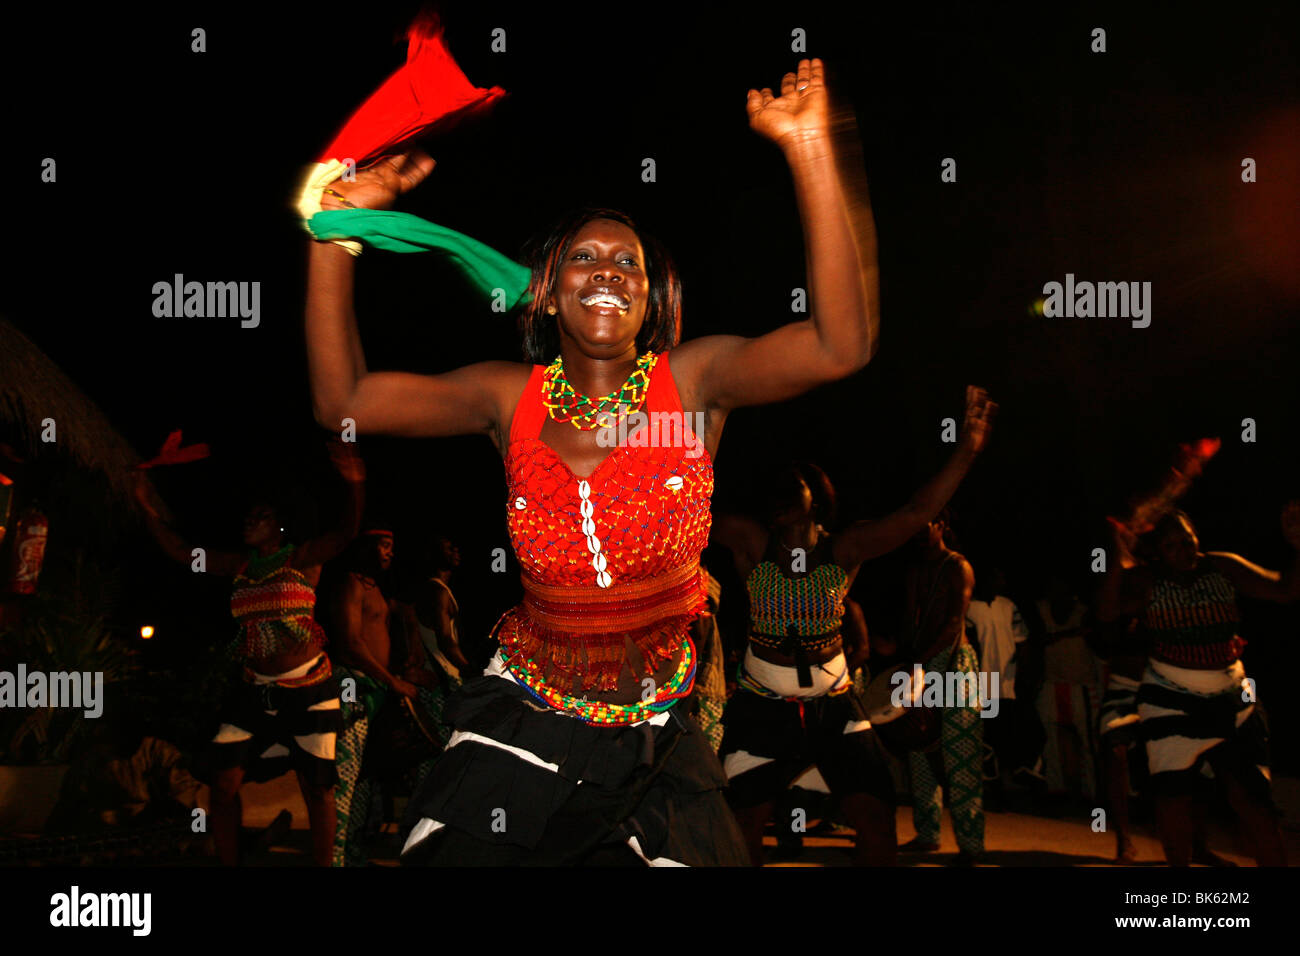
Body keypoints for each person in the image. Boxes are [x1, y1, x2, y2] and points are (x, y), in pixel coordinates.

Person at [305, 58, 880, 865]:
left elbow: (839, 344)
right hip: (526, 710)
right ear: (545, 292)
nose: (608, 270)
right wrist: (339, 236)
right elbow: (344, 401)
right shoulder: (507, 397)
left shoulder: (696, 383)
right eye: (584, 258)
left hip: (656, 729)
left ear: (653, 299)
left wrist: (812, 147)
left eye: (629, 263)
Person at [712, 390, 995, 866]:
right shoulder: (752, 541)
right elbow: (687, 513)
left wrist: (966, 451)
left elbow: (913, 515)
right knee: (744, 827)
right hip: (762, 704)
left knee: (877, 820)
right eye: (776, 488)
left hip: (834, 702)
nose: (781, 495)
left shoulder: (844, 547)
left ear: (816, 499)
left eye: (794, 487)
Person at [132, 439, 364, 865]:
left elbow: (347, 532)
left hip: (309, 688)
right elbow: (183, 554)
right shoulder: (237, 565)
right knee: (222, 784)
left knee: (317, 787)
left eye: (261, 516)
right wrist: (145, 507)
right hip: (255, 691)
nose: (249, 520)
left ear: (281, 526)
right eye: (249, 514)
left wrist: (354, 484)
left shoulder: (302, 559)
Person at [1098, 505, 1300, 866]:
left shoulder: (1222, 566)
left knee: (1256, 805)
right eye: (1173, 546)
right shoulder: (1149, 580)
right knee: (1173, 801)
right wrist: (1117, 556)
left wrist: (1298, 545)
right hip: (1170, 699)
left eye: (1188, 542)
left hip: (1231, 697)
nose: (1185, 552)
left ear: (1197, 538)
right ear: (1159, 551)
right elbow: (1108, 613)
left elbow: (1284, 590)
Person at [901, 509, 984, 863]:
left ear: (942, 526)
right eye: (916, 526)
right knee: (919, 749)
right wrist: (908, 663)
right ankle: (928, 834)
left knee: (960, 757)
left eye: (927, 525)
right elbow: (909, 622)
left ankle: (971, 845)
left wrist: (921, 663)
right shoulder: (916, 570)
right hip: (922, 663)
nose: (921, 532)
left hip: (955, 664)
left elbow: (954, 624)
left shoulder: (958, 567)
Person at [964, 565, 1030, 807]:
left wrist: (1021, 674)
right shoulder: (969, 606)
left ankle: (1002, 785)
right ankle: (990, 787)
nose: (1001, 582)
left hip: (1005, 682)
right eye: (997, 577)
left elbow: (1022, 641)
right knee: (986, 736)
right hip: (982, 681)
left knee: (1004, 734)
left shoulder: (1008, 605)